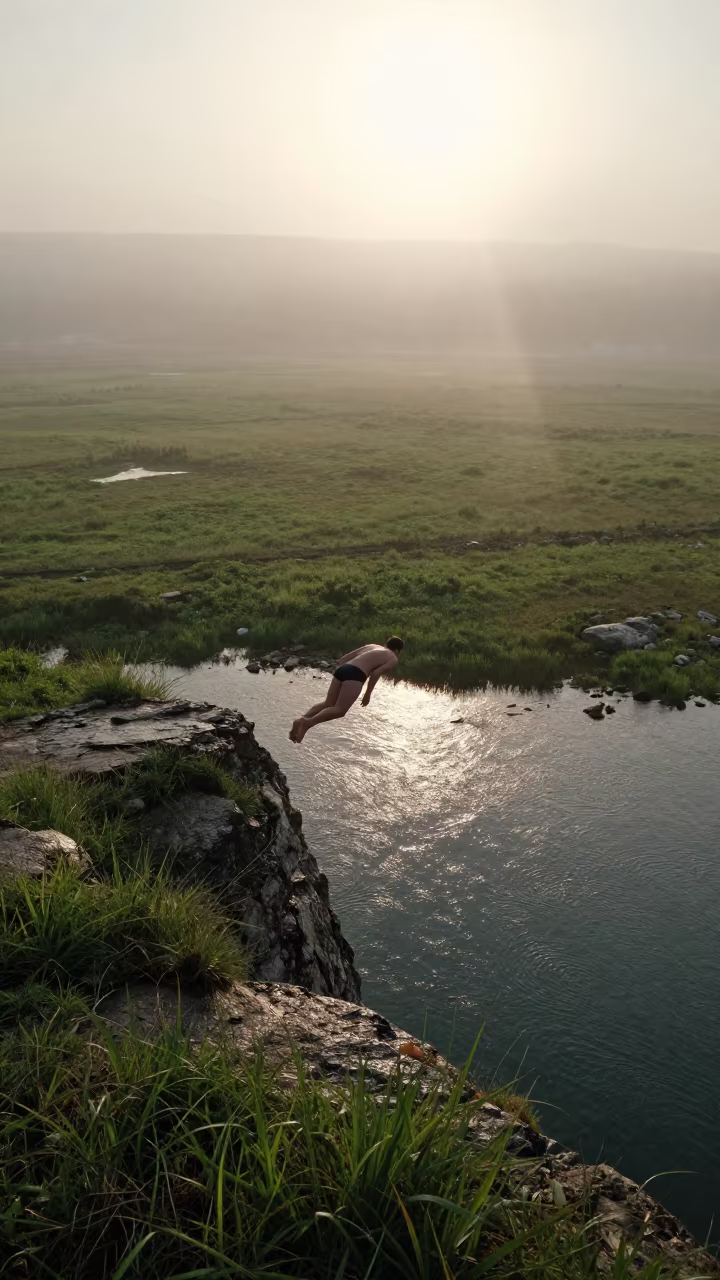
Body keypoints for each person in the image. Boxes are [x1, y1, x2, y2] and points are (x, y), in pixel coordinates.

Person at [289, 637, 404, 743]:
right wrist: (367, 694)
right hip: (356, 674)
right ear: (398, 651)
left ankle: (300, 720)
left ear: (386, 644)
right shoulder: (393, 658)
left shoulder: (372, 646)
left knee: (328, 703)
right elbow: (375, 674)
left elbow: (343, 659)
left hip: (343, 669)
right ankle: (307, 723)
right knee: (340, 710)